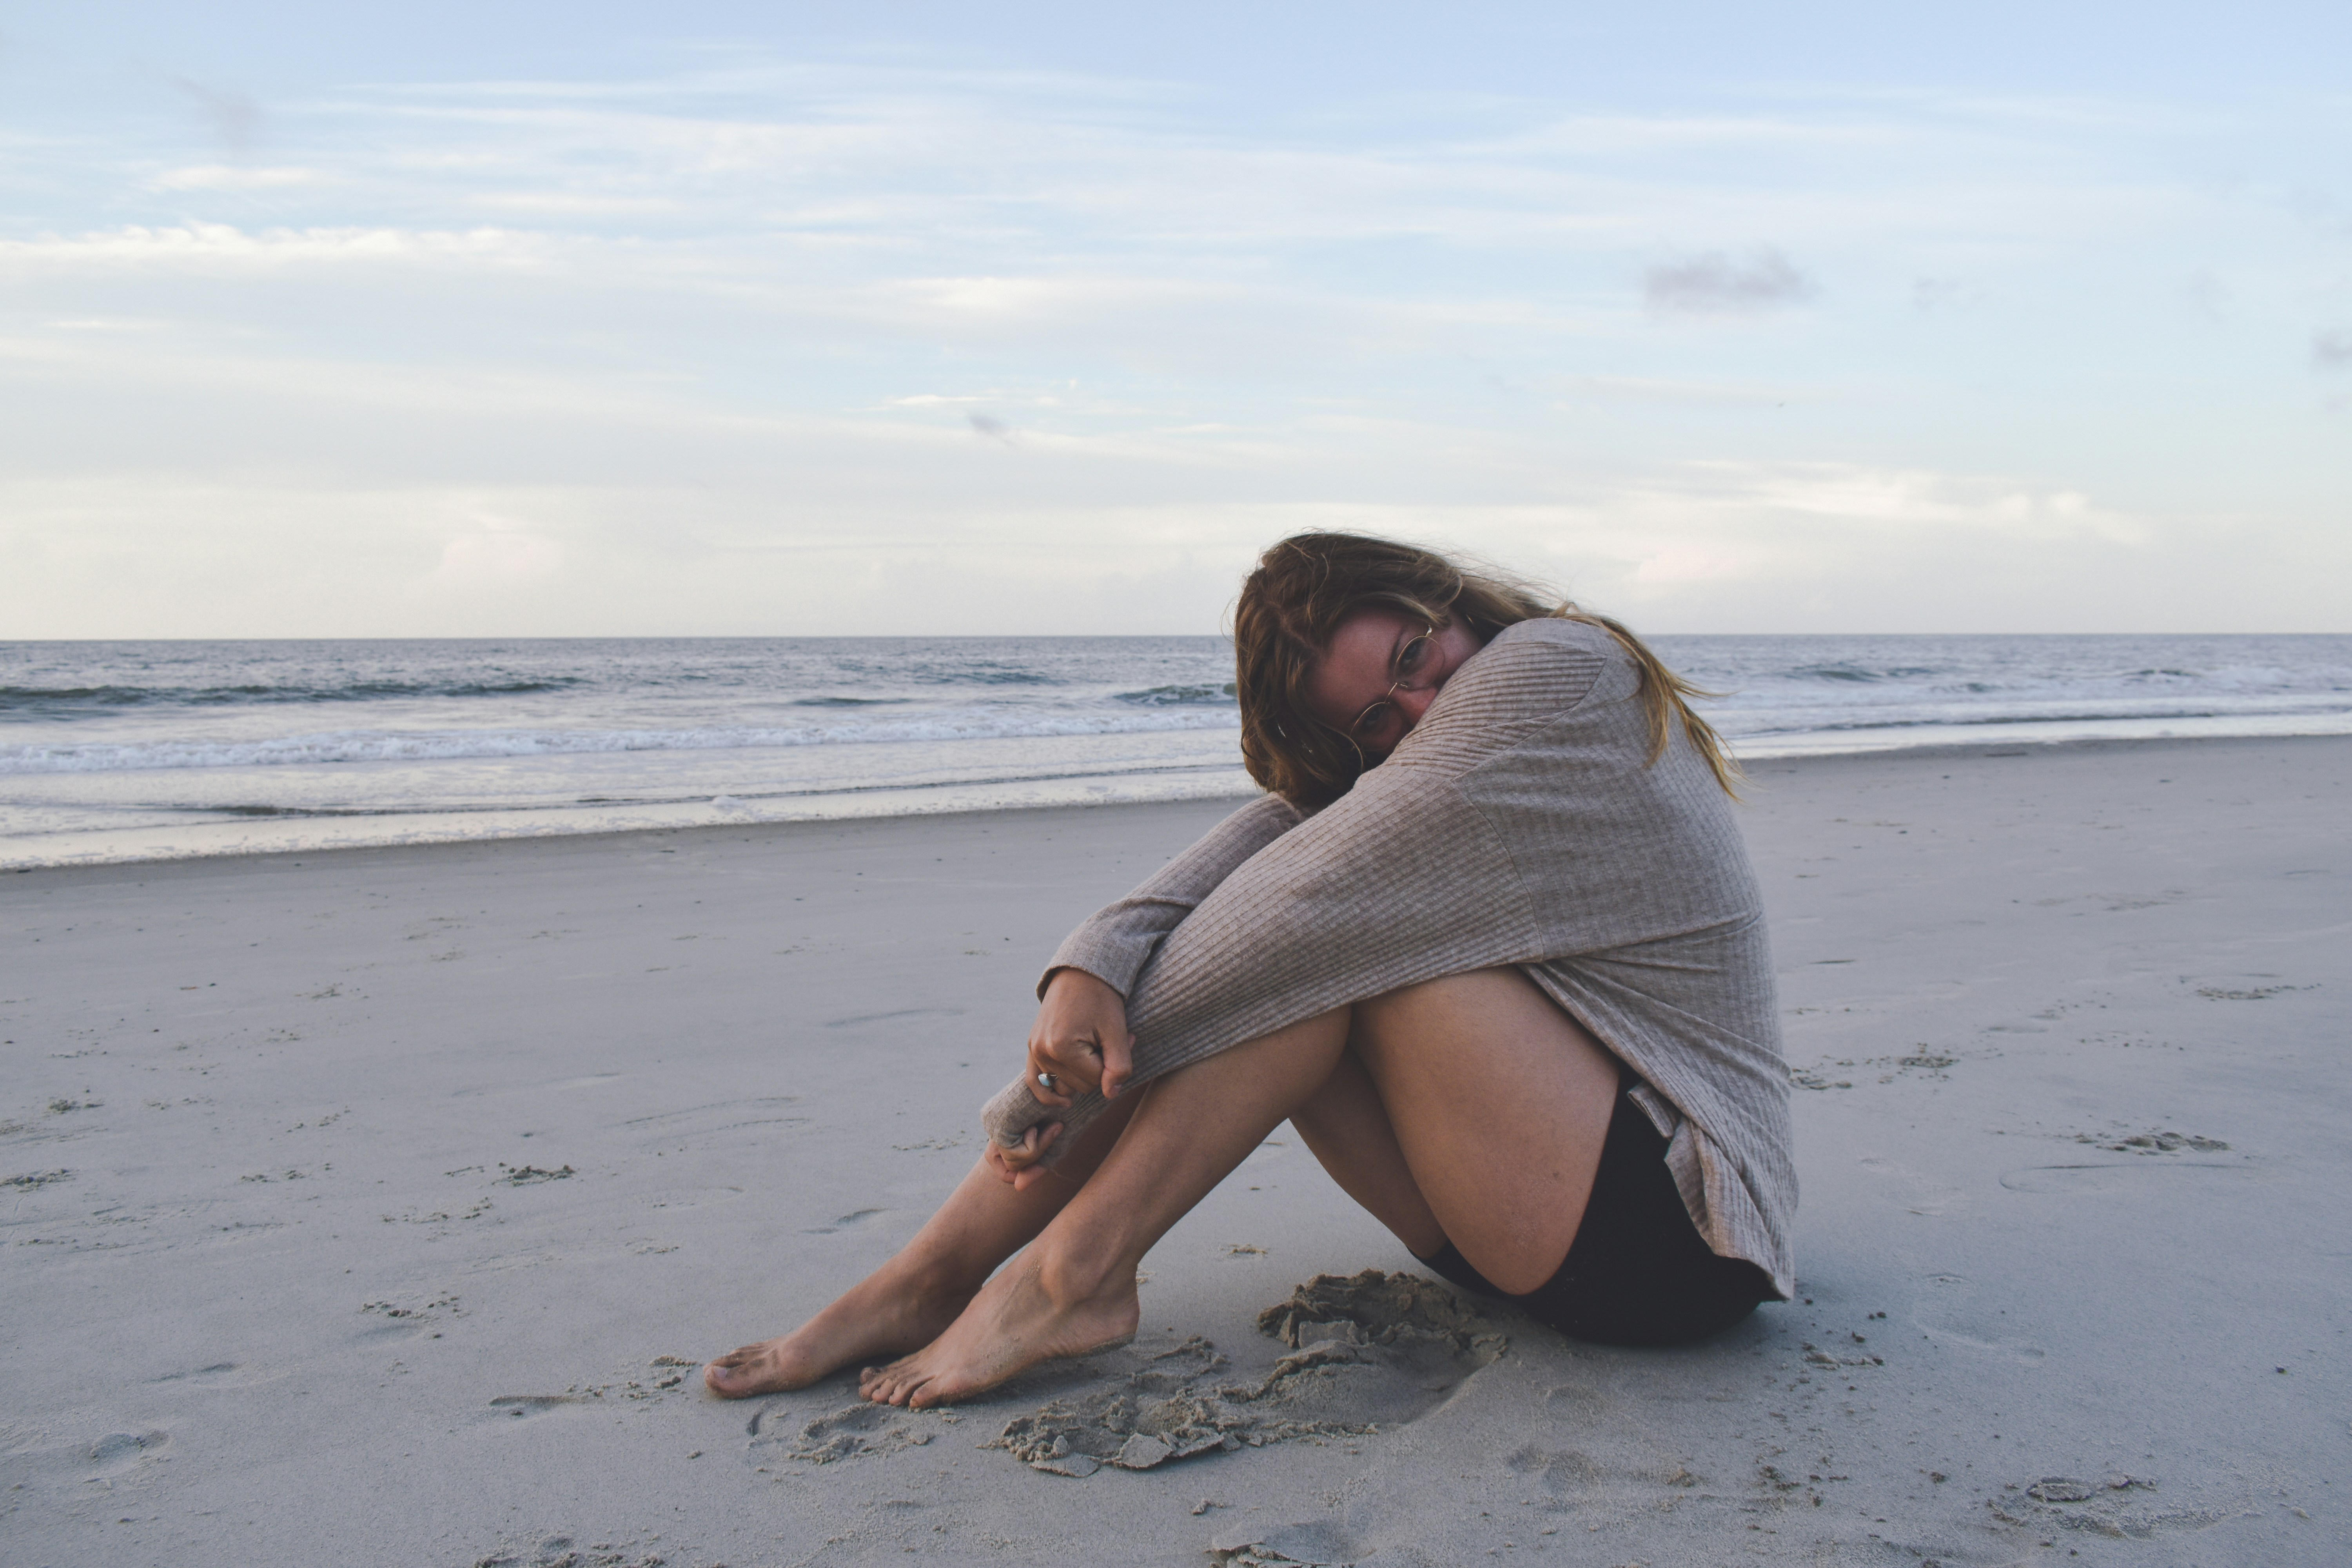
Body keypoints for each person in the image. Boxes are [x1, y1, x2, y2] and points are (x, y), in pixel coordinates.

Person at [706, 532, 1794, 1408]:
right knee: (1309, 947)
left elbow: (1300, 899)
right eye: (1375, 719)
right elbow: (1293, 835)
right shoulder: (1439, 749)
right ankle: (926, 1282)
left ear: (1444, 601)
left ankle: (1066, 1276)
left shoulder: (1556, 670)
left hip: (1679, 1239)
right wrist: (1091, 958)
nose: (1416, 709)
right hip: (1515, 1224)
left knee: (1322, 953)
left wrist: (1043, 1092)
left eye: (1415, 662)